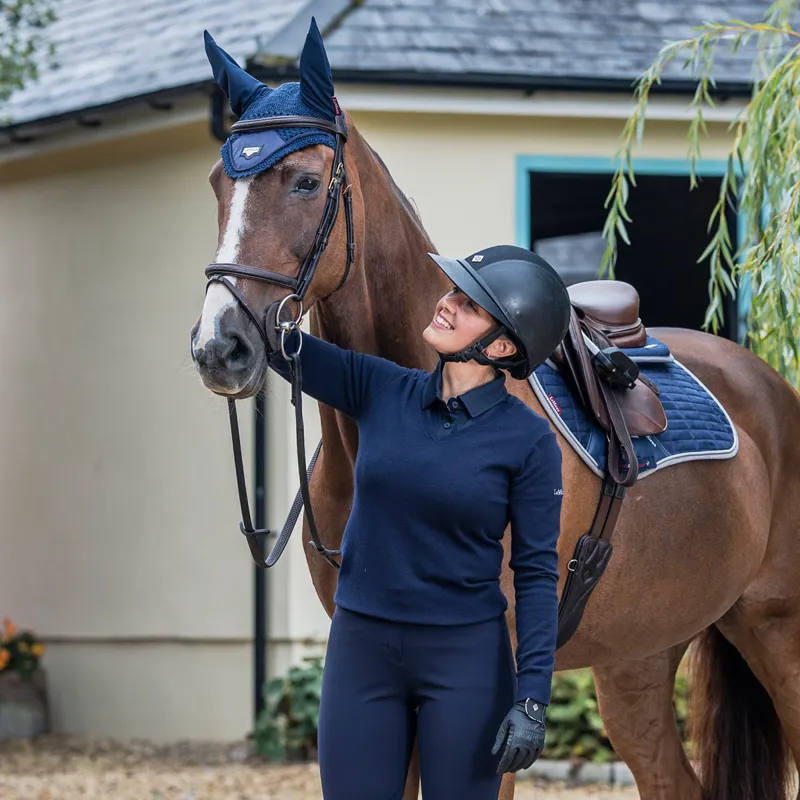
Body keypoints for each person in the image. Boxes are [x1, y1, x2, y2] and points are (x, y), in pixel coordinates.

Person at [269, 245, 571, 800]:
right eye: (452, 290)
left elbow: (533, 574)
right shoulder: (381, 388)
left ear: (501, 346)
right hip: (361, 651)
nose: (447, 303)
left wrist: (532, 699)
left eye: (469, 303)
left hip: (467, 664)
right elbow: (278, 341)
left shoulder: (529, 443)